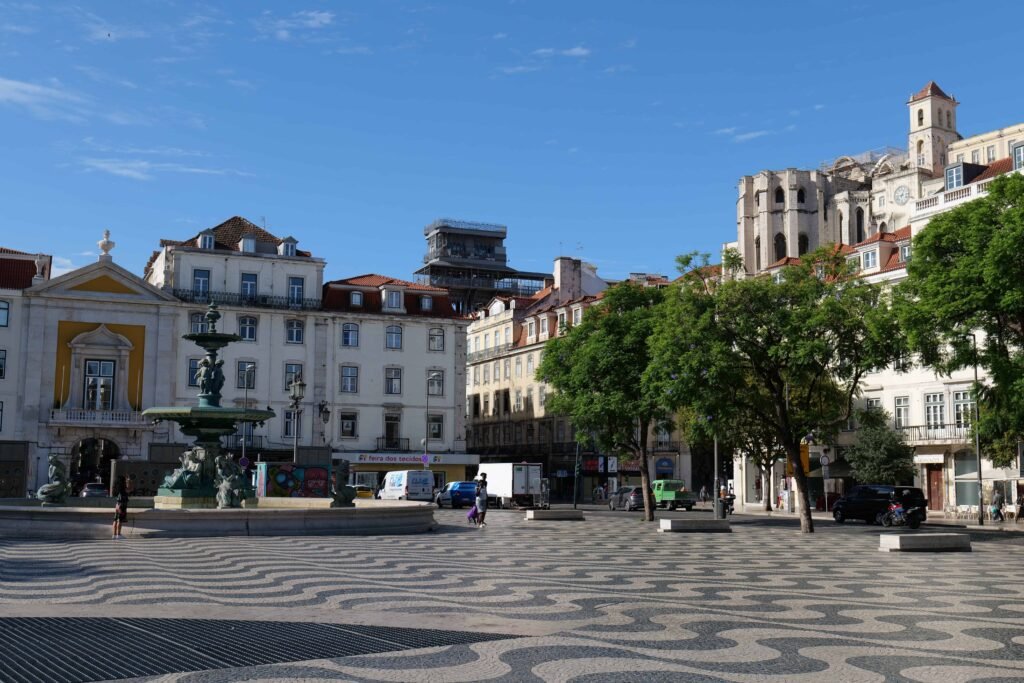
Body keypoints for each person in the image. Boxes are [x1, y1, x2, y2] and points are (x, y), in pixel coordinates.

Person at [112, 475, 130, 539]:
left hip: (118, 505)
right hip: (122, 506)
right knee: (120, 520)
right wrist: (128, 481)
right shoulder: (123, 490)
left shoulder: (118, 489)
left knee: (115, 520)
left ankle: (114, 535)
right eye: (124, 480)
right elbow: (128, 489)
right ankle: (118, 535)